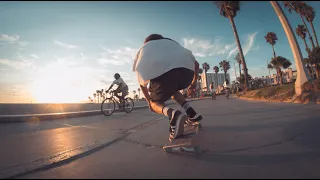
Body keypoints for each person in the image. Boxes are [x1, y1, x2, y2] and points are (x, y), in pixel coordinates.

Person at [132, 34, 202, 141]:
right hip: (187, 74)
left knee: (155, 102)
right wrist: (193, 84)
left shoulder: (145, 48)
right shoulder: (173, 44)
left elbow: (141, 80)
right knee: (172, 90)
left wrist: (150, 102)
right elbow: (196, 65)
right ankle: (192, 113)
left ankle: (173, 114)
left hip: (165, 76)